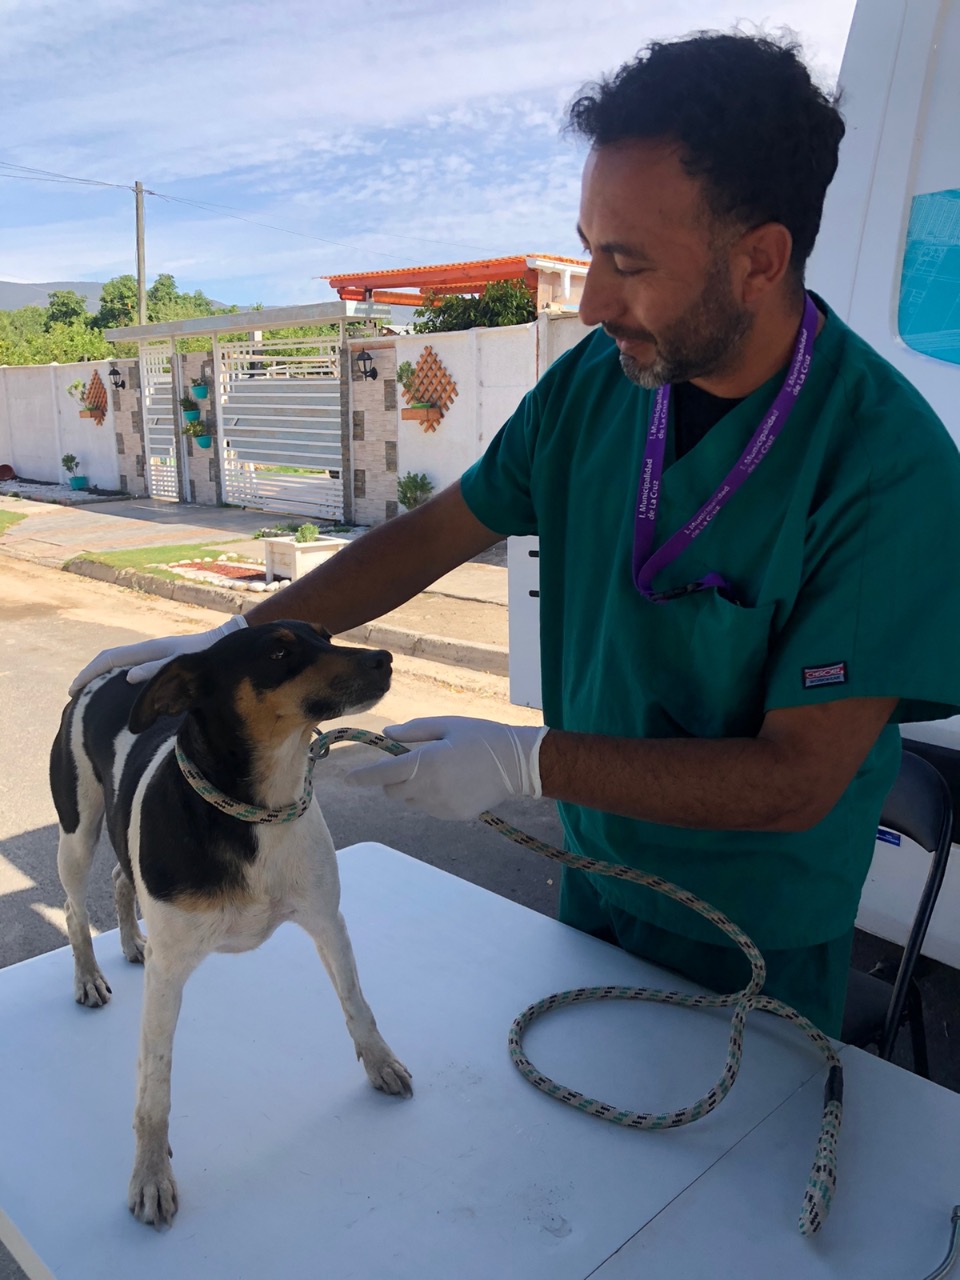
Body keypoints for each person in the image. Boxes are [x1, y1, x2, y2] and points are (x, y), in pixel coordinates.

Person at [72, 31, 960, 1039]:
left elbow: (798, 777)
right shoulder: (599, 390)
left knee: (720, 1182)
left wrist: (528, 765)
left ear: (759, 259)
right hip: (593, 880)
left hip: (756, 923)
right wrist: (230, 643)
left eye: (628, 263)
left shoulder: (887, 469)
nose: (591, 301)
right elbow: (434, 532)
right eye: (589, 250)